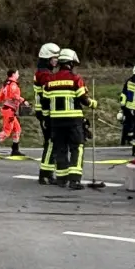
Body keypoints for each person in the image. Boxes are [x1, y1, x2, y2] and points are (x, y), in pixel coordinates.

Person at [42, 48, 92, 189]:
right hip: (73, 121)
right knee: (77, 148)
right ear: (70, 63)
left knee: (60, 149)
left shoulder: (50, 80)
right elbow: (84, 99)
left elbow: (45, 103)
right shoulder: (75, 79)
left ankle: (62, 179)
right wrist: (93, 103)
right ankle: (74, 180)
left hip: (56, 122)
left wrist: (46, 119)